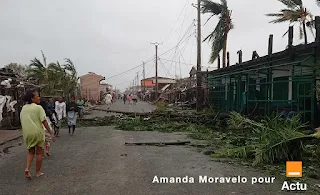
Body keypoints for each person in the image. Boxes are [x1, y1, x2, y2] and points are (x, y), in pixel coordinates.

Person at [20, 90, 55, 179]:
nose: (39, 97)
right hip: (37, 132)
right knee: (39, 152)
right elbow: (44, 121)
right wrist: (51, 133)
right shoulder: (38, 108)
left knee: (30, 152)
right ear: (32, 98)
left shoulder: (24, 108)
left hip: (27, 133)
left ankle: (27, 168)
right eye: (37, 96)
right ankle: (38, 172)